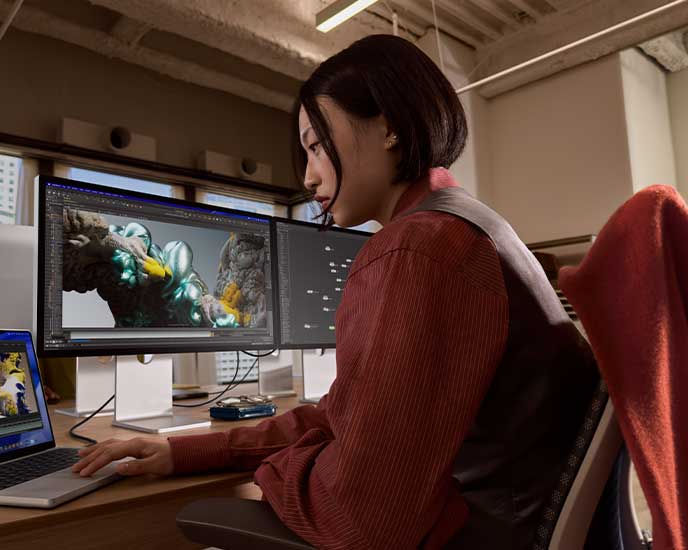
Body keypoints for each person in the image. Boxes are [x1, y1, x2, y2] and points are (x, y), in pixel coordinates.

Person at [71, 35, 599, 549]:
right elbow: (340, 416)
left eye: (317, 146)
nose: (308, 176)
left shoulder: (415, 249)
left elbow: (363, 521)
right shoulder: (470, 227)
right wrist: (186, 451)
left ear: (389, 128)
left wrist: (279, 468)